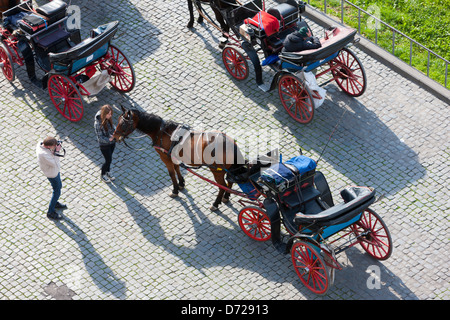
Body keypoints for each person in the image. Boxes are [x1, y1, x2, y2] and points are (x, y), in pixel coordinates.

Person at [36, 136, 67, 220]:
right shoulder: (43, 154)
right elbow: (54, 163)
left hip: (54, 171)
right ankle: (50, 212)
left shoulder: (41, 143)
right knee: (57, 190)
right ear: (49, 146)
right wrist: (57, 151)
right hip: (52, 173)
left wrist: (54, 149)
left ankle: (54, 202)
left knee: (58, 187)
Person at [94, 104, 116, 183]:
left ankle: (108, 171)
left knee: (109, 159)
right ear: (104, 113)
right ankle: (103, 174)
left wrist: (115, 133)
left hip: (112, 143)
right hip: (104, 145)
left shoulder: (108, 119)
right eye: (109, 114)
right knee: (108, 160)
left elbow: (112, 127)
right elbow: (100, 138)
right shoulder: (97, 124)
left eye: (111, 114)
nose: (110, 116)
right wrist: (109, 139)